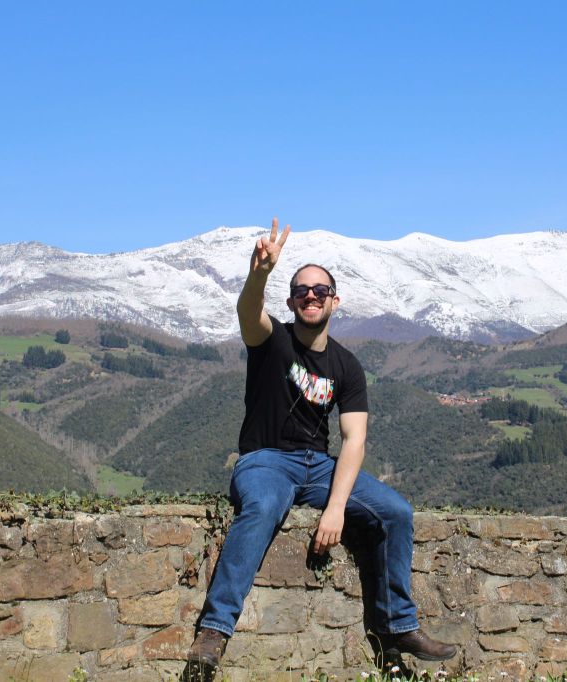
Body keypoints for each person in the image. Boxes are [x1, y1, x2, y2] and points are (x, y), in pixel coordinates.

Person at [185, 218, 457, 679]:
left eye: (320, 290)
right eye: (301, 291)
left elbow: (354, 439)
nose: (311, 296)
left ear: (335, 301)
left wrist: (335, 509)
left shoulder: (346, 366)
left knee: (396, 512)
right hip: (265, 460)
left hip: (318, 467)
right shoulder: (272, 341)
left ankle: (398, 628)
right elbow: (248, 312)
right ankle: (214, 631)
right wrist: (259, 275)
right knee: (263, 507)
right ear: (291, 301)